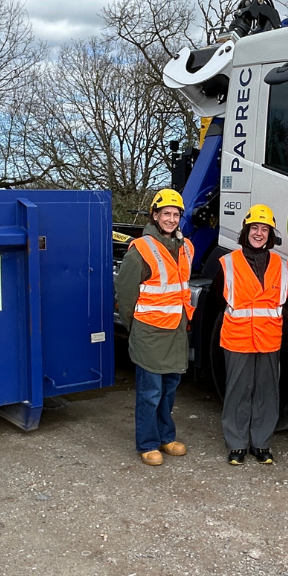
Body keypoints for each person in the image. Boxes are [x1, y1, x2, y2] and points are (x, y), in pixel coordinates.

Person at [115, 189, 194, 466]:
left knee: (169, 390)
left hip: (175, 332)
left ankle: (165, 436)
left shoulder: (187, 247)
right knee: (150, 393)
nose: (171, 219)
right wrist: (134, 328)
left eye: (176, 214)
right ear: (155, 215)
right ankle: (147, 443)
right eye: (166, 214)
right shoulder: (142, 249)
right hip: (149, 333)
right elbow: (125, 296)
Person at [213, 204, 288, 466]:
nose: (259, 233)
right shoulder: (227, 263)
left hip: (268, 338)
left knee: (267, 392)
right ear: (245, 232)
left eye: (264, 229)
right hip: (237, 337)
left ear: (271, 234)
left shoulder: (282, 264)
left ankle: (261, 443)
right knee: (237, 392)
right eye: (254, 228)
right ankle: (236, 444)